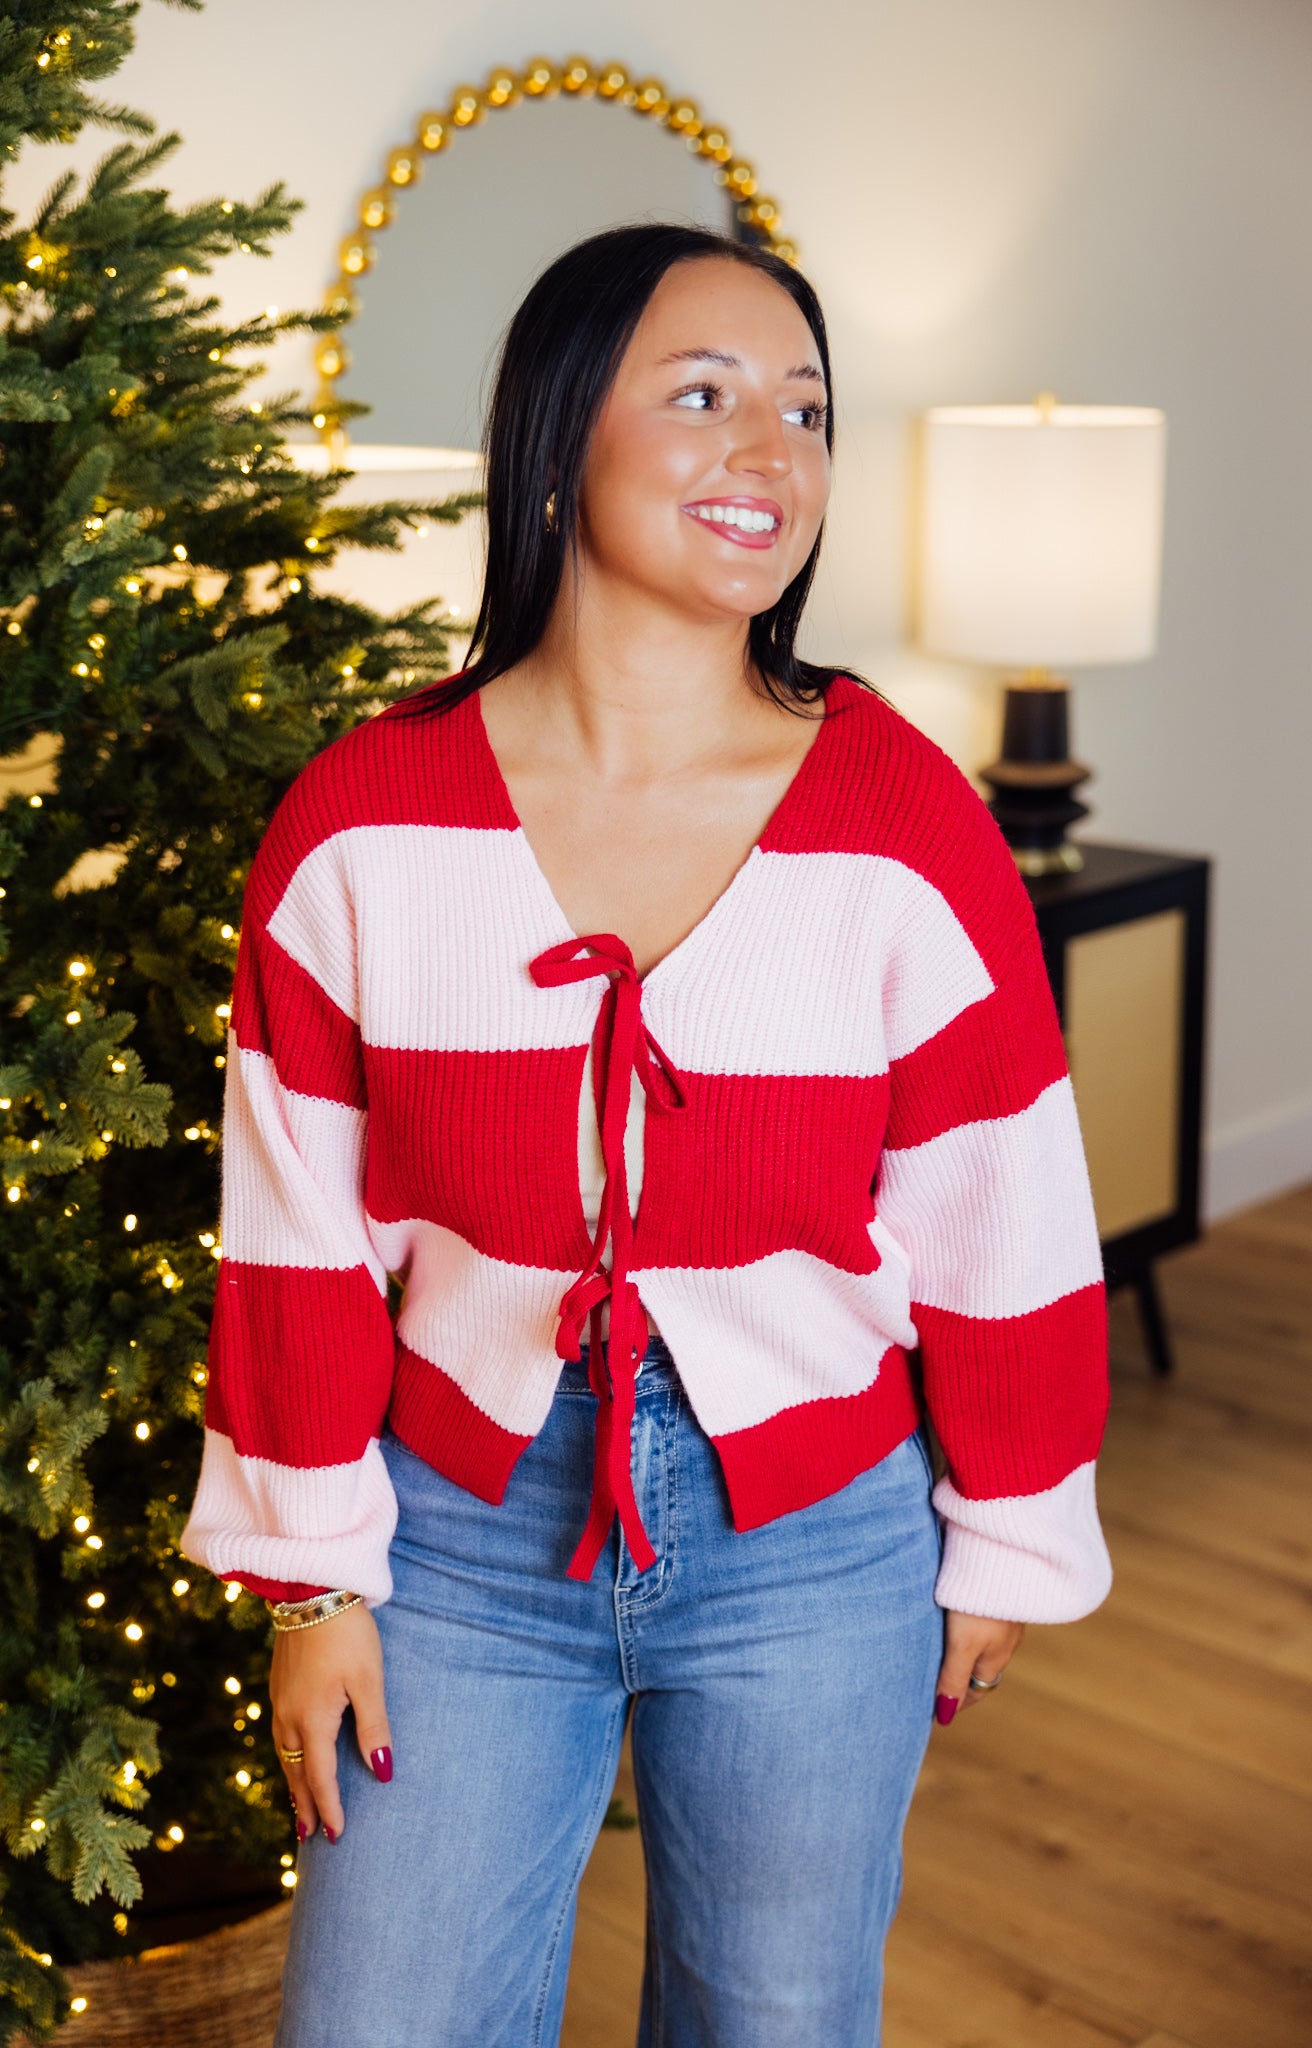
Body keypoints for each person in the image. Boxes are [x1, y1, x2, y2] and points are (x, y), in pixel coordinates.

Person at [179, 221, 1113, 2048]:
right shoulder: (363, 824)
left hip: (813, 1527)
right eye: (702, 395)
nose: (770, 450)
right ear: (555, 444)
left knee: (772, 2017)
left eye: (805, 407)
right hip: (451, 1526)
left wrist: (1007, 1528)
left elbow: (1002, 1200)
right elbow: (295, 1227)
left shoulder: (903, 817)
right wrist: (312, 1578)